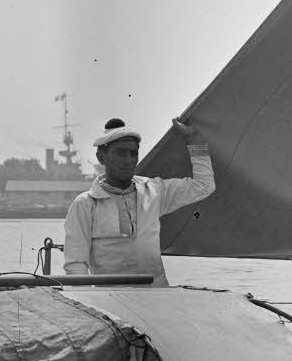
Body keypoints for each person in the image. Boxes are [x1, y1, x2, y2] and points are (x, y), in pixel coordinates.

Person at [63, 117, 215, 287]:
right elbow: (76, 263)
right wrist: (85, 300)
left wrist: (194, 141)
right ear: (101, 157)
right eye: (120, 153)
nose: (128, 160)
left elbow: (204, 185)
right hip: (109, 298)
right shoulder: (86, 204)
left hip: (156, 294)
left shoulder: (154, 191)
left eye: (133, 153)